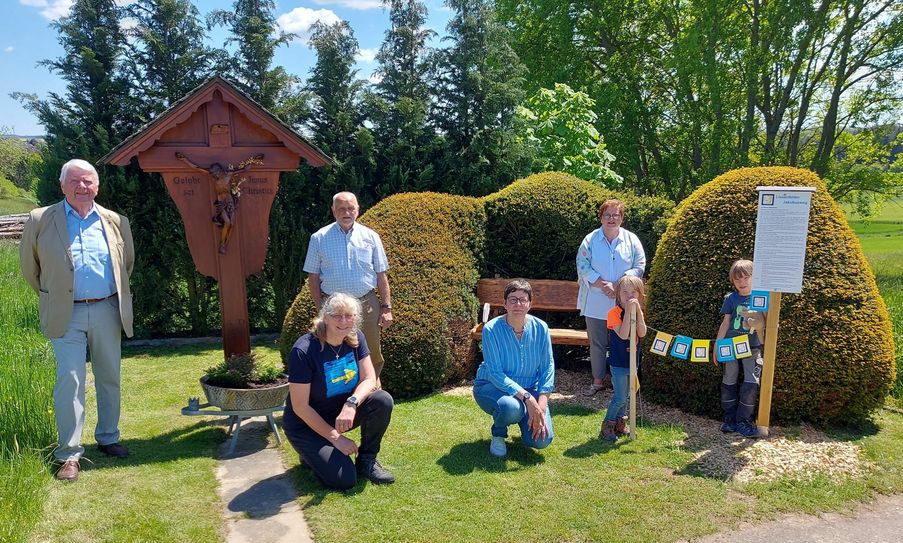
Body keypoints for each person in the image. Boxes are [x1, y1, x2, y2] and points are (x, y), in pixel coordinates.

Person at [19, 159, 135, 482]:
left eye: (88, 181)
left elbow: (126, 265)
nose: (82, 187)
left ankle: (109, 437)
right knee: (70, 380)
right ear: (62, 185)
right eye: (75, 181)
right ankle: (69, 454)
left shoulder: (114, 221)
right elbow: (31, 269)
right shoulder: (41, 220)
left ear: (97, 186)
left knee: (109, 374)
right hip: (65, 313)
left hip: (106, 309)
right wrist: (55, 295)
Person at [283, 293, 395, 490]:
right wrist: (336, 438)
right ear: (325, 317)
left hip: (339, 415)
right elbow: (300, 407)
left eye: (349, 315)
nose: (343, 321)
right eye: (337, 315)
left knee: (382, 400)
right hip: (305, 424)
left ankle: (367, 461)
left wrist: (351, 403)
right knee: (345, 479)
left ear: (356, 318)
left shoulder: (356, 338)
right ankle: (310, 452)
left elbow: (369, 379)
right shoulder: (304, 350)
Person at [303, 192, 393, 384]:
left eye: (351, 208)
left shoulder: (371, 236)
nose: (346, 212)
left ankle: (372, 399)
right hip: (333, 308)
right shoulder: (318, 238)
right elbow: (313, 277)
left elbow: (381, 275)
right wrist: (321, 308)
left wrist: (386, 308)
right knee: (333, 352)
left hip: (366, 304)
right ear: (333, 211)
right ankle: (337, 396)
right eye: (341, 208)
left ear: (357, 210)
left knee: (372, 352)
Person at [473, 280, 554, 457]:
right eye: (512, 299)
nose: (518, 304)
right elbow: (495, 373)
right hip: (492, 386)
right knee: (512, 408)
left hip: (529, 390)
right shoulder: (491, 329)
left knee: (541, 441)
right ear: (504, 303)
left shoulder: (541, 328)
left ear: (530, 304)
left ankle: (525, 419)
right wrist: (528, 399)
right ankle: (499, 434)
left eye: (523, 300)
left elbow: (548, 368)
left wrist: (540, 406)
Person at [576, 199, 646, 397]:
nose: (611, 219)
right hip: (596, 301)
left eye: (616, 215)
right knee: (597, 342)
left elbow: (640, 264)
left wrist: (616, 285)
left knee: (624, 342)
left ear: (622, 218)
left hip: (624, 303)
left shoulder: (632, 240)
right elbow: (582, 265)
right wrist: (601, 283)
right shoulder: (590, 240)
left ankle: (623, 384)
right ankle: (598, 381)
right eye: (607, 215)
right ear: (601, 217)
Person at [174, 152, 264, 254]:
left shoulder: (228, 174)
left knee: (232, 224)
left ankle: (224, 245)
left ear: (220, 171)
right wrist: (185, 160)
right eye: (213, 174)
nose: (214, 175)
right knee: (227, 222)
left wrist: (253, 162)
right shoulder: (213, 177)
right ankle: (222, 243)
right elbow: (197, 168)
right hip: (221, 201)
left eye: (215, 173)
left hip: (229, 201)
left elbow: (243, 169)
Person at [715, 259, 765, 438]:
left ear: (754, 278)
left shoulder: (761, 297)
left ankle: (743, 421)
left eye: (746, 277)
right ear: (732, 281)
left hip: (753, 347)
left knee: (751, 382)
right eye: (737, 279)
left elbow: (766, 322)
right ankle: (729, 419)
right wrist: (717, 346)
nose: (742, 282)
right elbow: (725, 323)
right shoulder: (731, 298)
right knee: (729, 379)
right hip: (730, 347)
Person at [599, 275, 647, 442]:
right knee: (619, 396)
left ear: (640, 295)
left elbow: (642, 333)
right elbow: (624, 333)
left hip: (632, 363)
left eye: (633, 292)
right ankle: (608, 425)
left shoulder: (638, 311)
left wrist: (638, 311)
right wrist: (628, 312)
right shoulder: (613, 313)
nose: (629, 296)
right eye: (624, 292)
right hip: (618, 363)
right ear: (618, 295)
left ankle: (620, 424)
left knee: (628, 395)